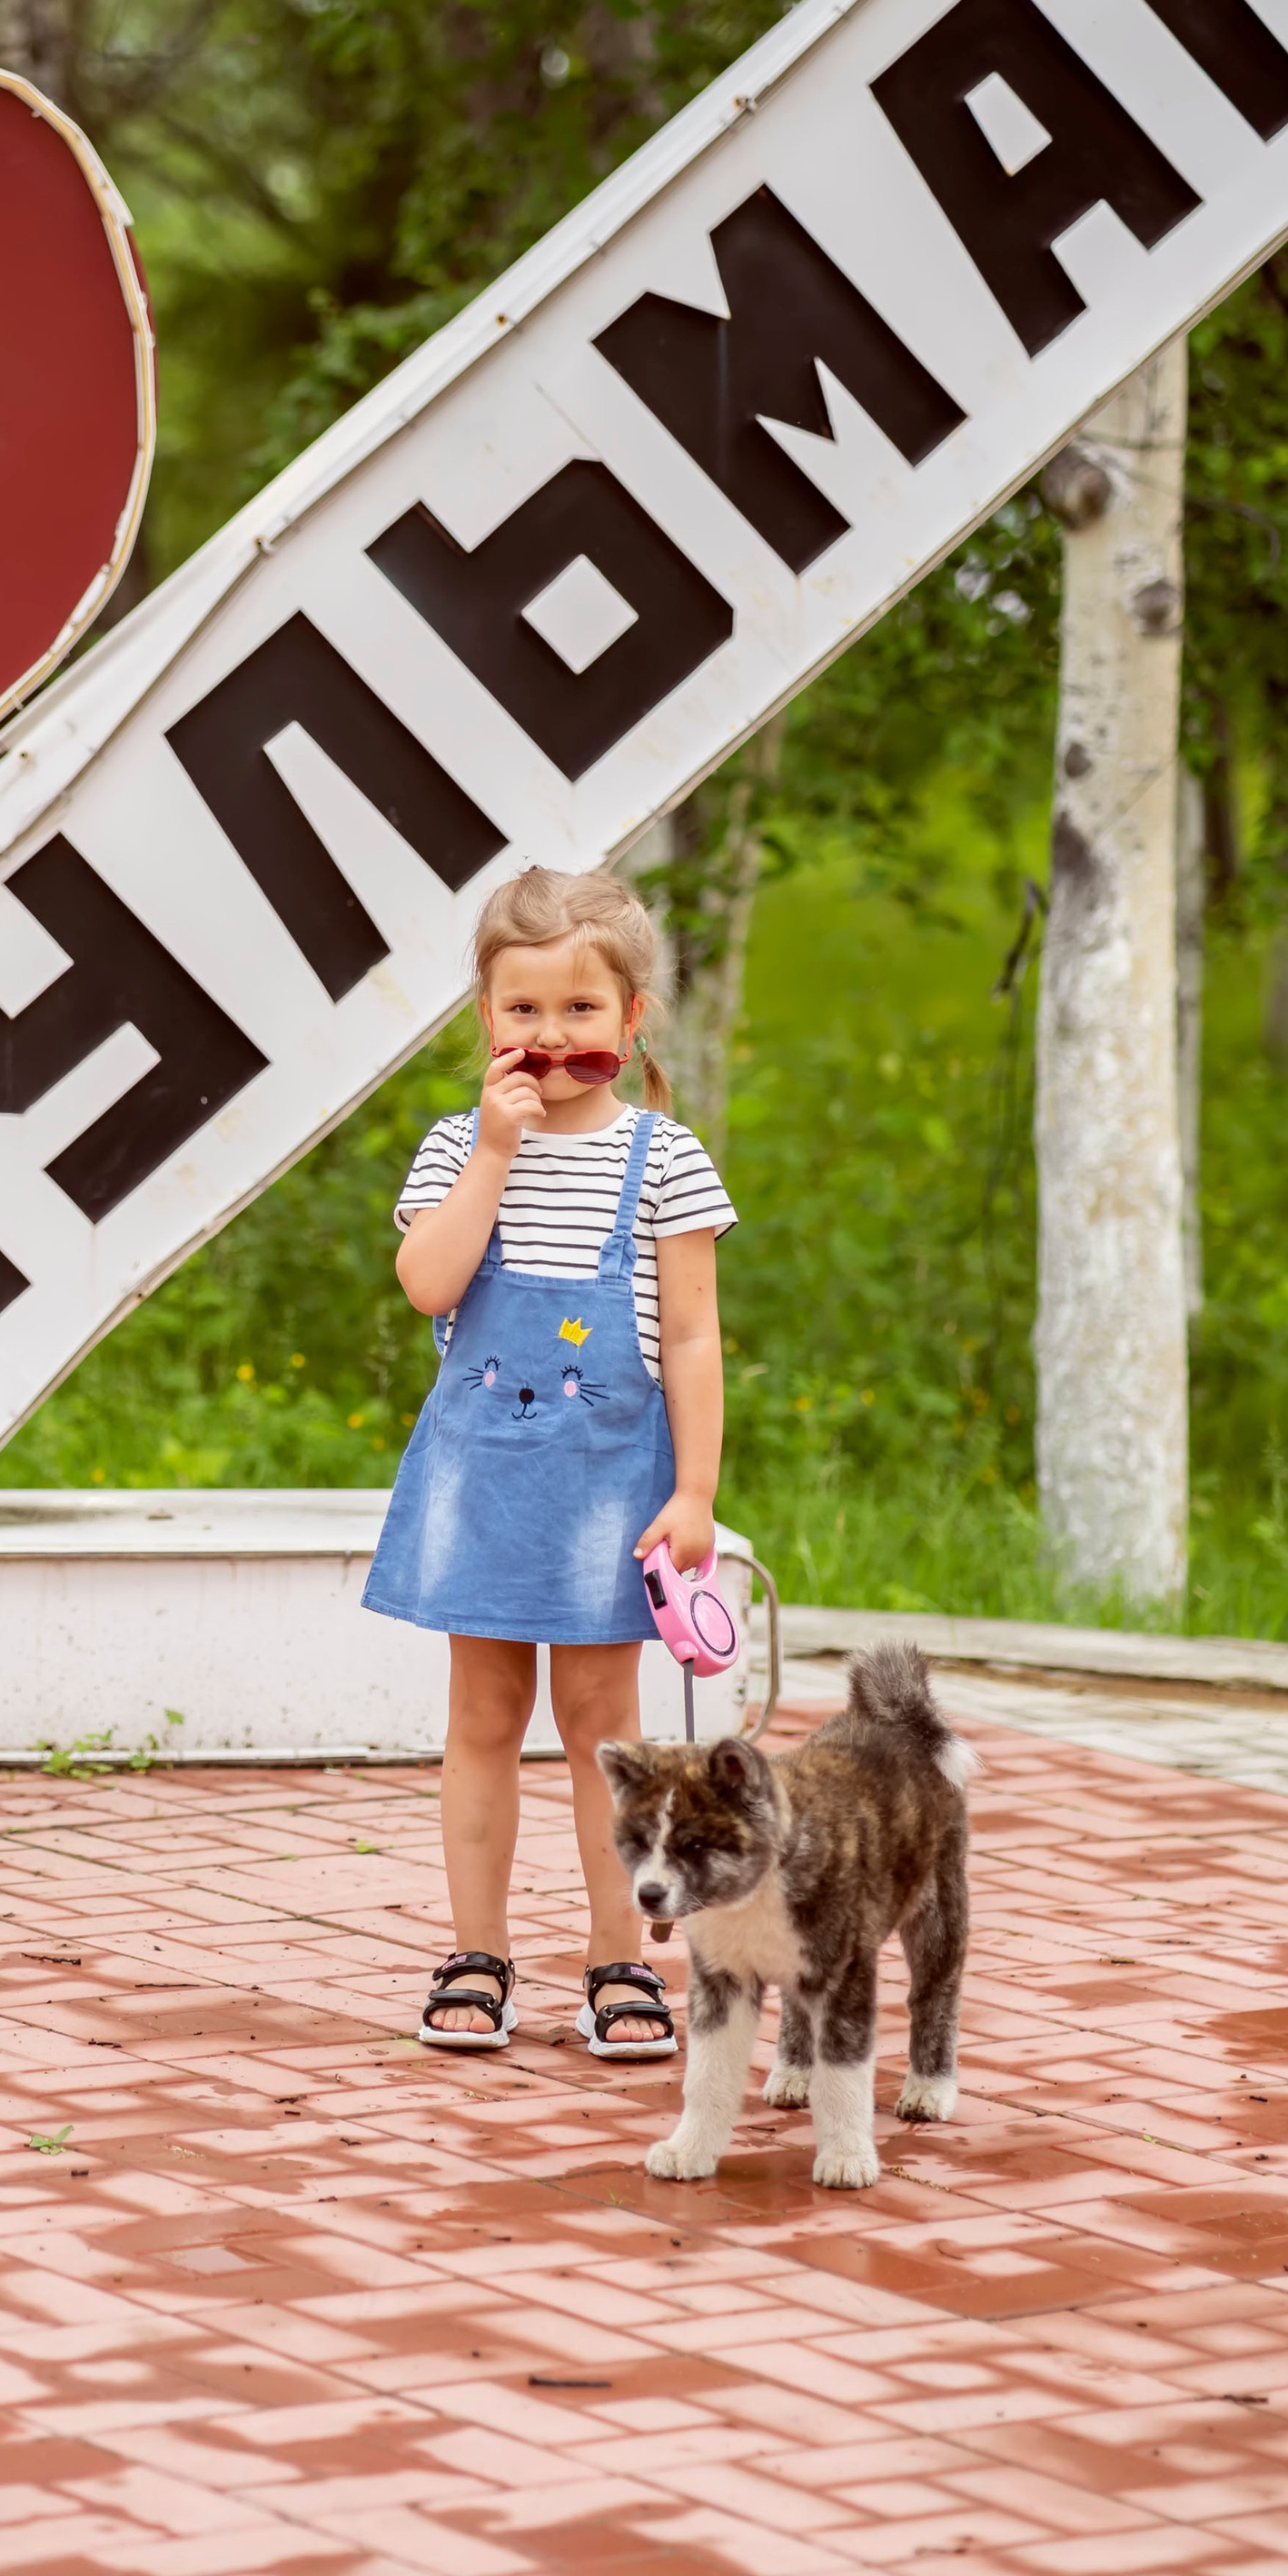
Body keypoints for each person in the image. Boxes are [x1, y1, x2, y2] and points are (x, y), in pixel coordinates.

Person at [363, 865, 735, 2058]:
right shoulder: (452, 1148)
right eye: (523, 1011)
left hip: (607, 1484)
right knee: (481, 1714)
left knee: (599, 1726)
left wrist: (693, 1491)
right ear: (487, 1016)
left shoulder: (664, 1158)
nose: (551, 1037)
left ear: (629, 1021)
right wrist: (489, 1155)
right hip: (484, 1478)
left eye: (580, 1012)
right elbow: (429, 1283)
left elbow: (690, 1334)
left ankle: (616, 1958)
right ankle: (475, 1953)